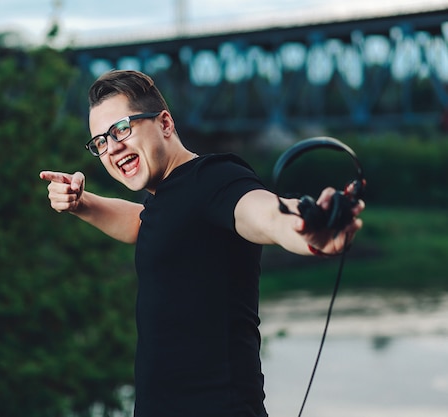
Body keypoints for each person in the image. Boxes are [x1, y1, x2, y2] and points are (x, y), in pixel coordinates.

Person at [39, 69, 364, 417]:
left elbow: (263, 213)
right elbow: (142, 223)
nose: (113, 147)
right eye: (101, 141)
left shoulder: (215, 178)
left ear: (165, 124)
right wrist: (82, 203)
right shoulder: (164, 200)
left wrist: (305, 227)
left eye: (122, 129)